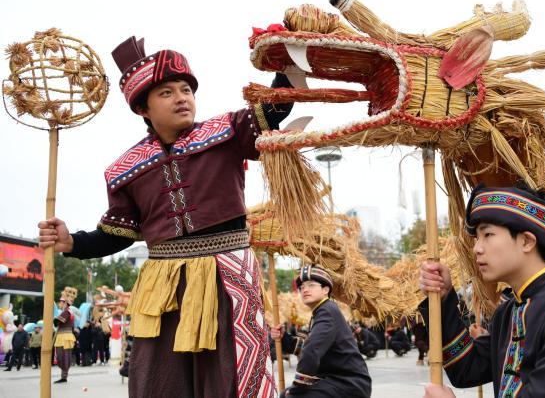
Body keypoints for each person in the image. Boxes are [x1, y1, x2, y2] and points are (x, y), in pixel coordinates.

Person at [38, 36, 294, 398]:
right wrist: (72, 242)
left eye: (186, 89)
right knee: (159, 380)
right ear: (143, 108)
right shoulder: (125, 170)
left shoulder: (228, 132)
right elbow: (118, 233)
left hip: (228, 275)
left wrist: (288, 65)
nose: (181, 98)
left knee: (231, 376)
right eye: (167, 93)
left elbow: (275, 110)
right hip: (162, 286)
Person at [419, 183, 545, 398]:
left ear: (526, 241)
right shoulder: (507, 314)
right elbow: (467, 369)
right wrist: (444, 298)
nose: (477, 248)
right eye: (477, 237)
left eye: (488, 234)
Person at [270, 265, 372, 397]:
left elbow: (311, 351)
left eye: (311, 285)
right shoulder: (321, 311)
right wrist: (284, 337)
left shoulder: (327, 311)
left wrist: (297, 387)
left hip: (349, 383)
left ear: (325, 289)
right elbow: (305, 346)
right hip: (339, 381)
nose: (305, 290)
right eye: (302, 287)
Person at [53, 294, 76, 383]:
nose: (59, 304)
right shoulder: (66, 311)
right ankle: (64, 375)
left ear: (65, 303)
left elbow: (57, 322)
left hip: (65, 336)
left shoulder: (67, 312)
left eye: (61, 302)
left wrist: (55, 318)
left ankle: (64, 376)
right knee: (61, 357)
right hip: (63, 336)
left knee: (64, 357)